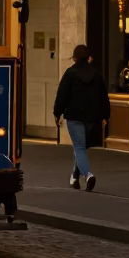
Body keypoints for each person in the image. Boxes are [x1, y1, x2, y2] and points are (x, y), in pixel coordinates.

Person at [53, 44, 110, 193]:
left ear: (75, 58)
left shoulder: (70, 74)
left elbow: (62, 95)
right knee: (82, 147)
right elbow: (103, 96)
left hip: (74, 116)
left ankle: (88, 175)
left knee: (79, 147)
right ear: (89, 58)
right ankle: (74, 178)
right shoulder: (97, 75)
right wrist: (105, 115)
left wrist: (57, 113)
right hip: (92, 117)